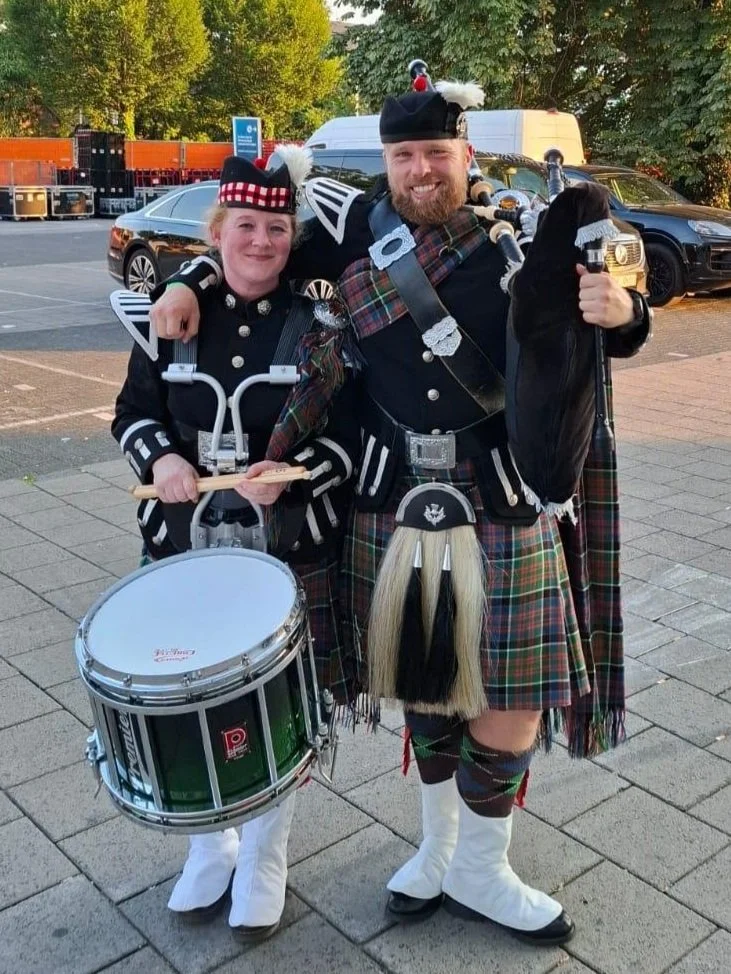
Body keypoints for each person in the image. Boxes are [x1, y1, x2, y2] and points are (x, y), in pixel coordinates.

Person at [148, 75, 651, 947]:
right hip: (389, 490)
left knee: (511, 694)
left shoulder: (519, 235)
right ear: (387, 161)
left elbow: (626, 279)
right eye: (404, 156)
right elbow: (252, 250)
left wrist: (627, 310)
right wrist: (193, 276)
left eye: (436, 154)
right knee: (425, 679)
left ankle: (481, 867)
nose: (421, 170)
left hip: (500, 492)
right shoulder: (350, 230)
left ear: (466, 154)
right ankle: (438, 846)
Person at [112, 148, 360, 943]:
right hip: (185, 546)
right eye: (245, 225)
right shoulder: (172, 314)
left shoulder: (319, 324)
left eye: (277, 228)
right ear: (217, 231)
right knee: (186, 688)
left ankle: (264, 853)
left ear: (294, 236)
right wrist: (164, 458)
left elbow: (351, 436)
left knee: (281, 705)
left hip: (286, 550)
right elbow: (132, 413)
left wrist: (293, 472)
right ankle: (208, 844)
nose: (261, 242)